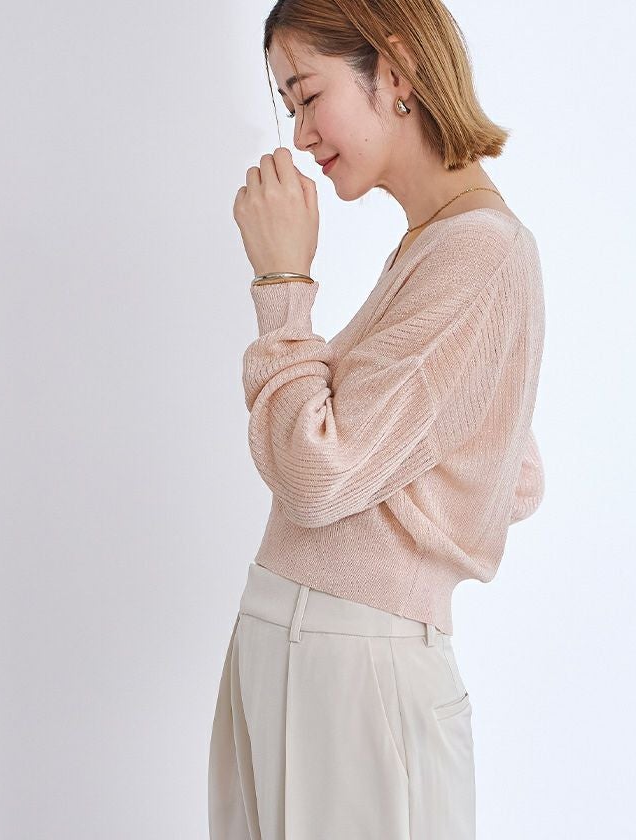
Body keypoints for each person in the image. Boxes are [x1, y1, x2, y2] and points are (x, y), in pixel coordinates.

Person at [209, 1, 546, 837]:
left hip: (351, 663)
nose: (299, 135)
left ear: (393, 71)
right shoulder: (434, 244)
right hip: (303, 647)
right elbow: (510, 472)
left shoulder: (480, 251)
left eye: (307, 95)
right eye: (288, 106)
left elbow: (318, 475)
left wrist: (282, 283)